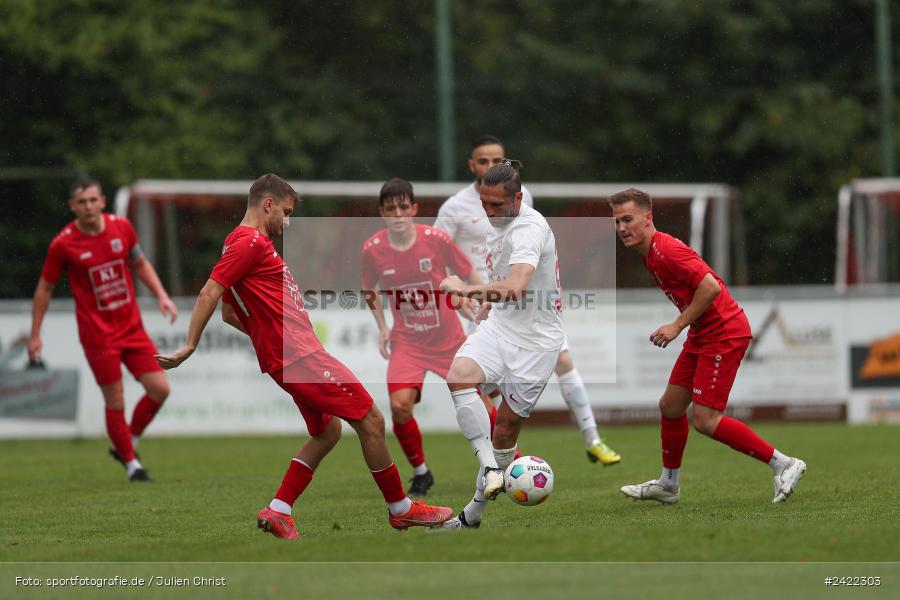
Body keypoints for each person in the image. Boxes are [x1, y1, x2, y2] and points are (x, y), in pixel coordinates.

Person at [154, 173, 452, 540]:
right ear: (268, 205)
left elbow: (231, 314)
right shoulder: (248, 242)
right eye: (286, 211)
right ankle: (401, 510)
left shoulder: (238, 245)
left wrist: (268, 339)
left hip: (289, 355)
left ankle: (279, 510)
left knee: (328, 431)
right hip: (299, 355)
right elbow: (209, 293)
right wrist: (190, 344)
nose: (288, 221)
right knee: (371, 420)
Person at [609, 188, 806, 504]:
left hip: (724, 333)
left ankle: (784, 464)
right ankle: (669, 485)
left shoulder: (667, 250)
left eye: (628, 219)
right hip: (704, 333)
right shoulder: (650, 254)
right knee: (671, 406)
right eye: (617, 222)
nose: (621, 228)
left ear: (648, 218)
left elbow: (711, 287)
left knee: (705, 420)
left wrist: (676, 326)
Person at [434, 134, 620, 466]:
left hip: (523, 306)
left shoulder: (521, 208)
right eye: (483, 160)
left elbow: (527, 250)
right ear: (471, 165)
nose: (490, 166)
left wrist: (468, 288)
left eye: (497, 160)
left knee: (561, 363)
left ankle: (591, 438)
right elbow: (438, 252)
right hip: (487, 305)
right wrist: (470, 293)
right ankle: (499, 461)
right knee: (475, 382)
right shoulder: (455, 207)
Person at [437, 160, 564, 529]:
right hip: (501, 327)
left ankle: (473, 513)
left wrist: (466, 289)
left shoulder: (529, 227)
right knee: (459, 376)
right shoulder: (499, 221)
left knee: (505, 433)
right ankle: (491, 467)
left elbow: (517, 286)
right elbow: (504, 283)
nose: (489, 213)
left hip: (537, 343)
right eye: (484, 203)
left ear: (518, 198)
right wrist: (486, 302)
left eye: (496, 205)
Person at [29, 178, 177, 482]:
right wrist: (35, 334)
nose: (88, 207)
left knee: (160, 389)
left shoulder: (121, 228)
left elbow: (140, 263)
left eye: (93, 200)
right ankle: (132, 466)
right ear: (72, 207)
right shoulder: (63, 244)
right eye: (81, 202)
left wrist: (162, 295)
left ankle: (128, 441)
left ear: (102, 201)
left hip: (132, 328)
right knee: (116, 399)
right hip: (98, 336)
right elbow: (45, 288)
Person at [361, 178, 482, 497]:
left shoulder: (436, 239)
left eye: (404, 207)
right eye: (391, 209)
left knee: (479, 402)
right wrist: (383, 326)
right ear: (382, 213)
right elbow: (368, 289)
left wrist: (469, 298)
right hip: (408, 342)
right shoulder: (372, 249)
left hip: (448, 339)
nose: (398, 214)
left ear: (414, 209)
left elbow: (467, 271)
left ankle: (512, 460)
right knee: (399, 407)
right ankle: (421, 472)